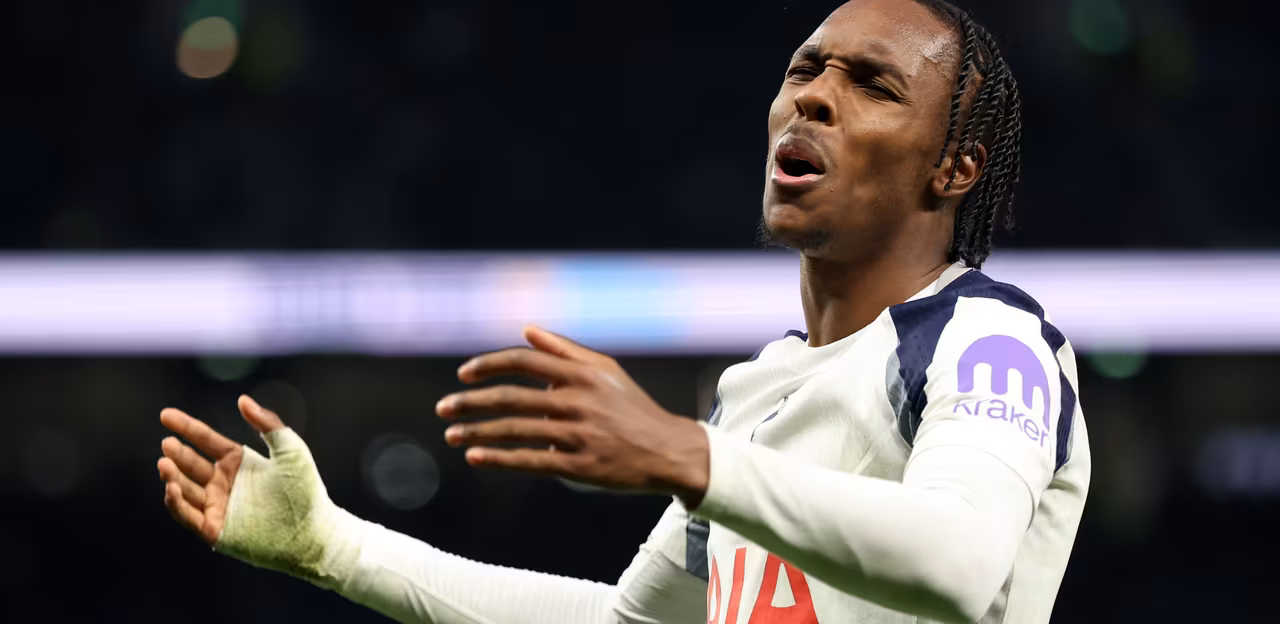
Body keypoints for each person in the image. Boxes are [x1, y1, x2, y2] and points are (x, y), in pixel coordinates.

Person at [156, 0, 1090, 622]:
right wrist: (335, 546)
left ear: (954, 167)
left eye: (872, 84)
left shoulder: (989, 339)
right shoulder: (756, 394)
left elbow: (960, 562)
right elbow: (629, 622)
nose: (814, 97)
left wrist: (687, 455)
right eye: (806, 69)